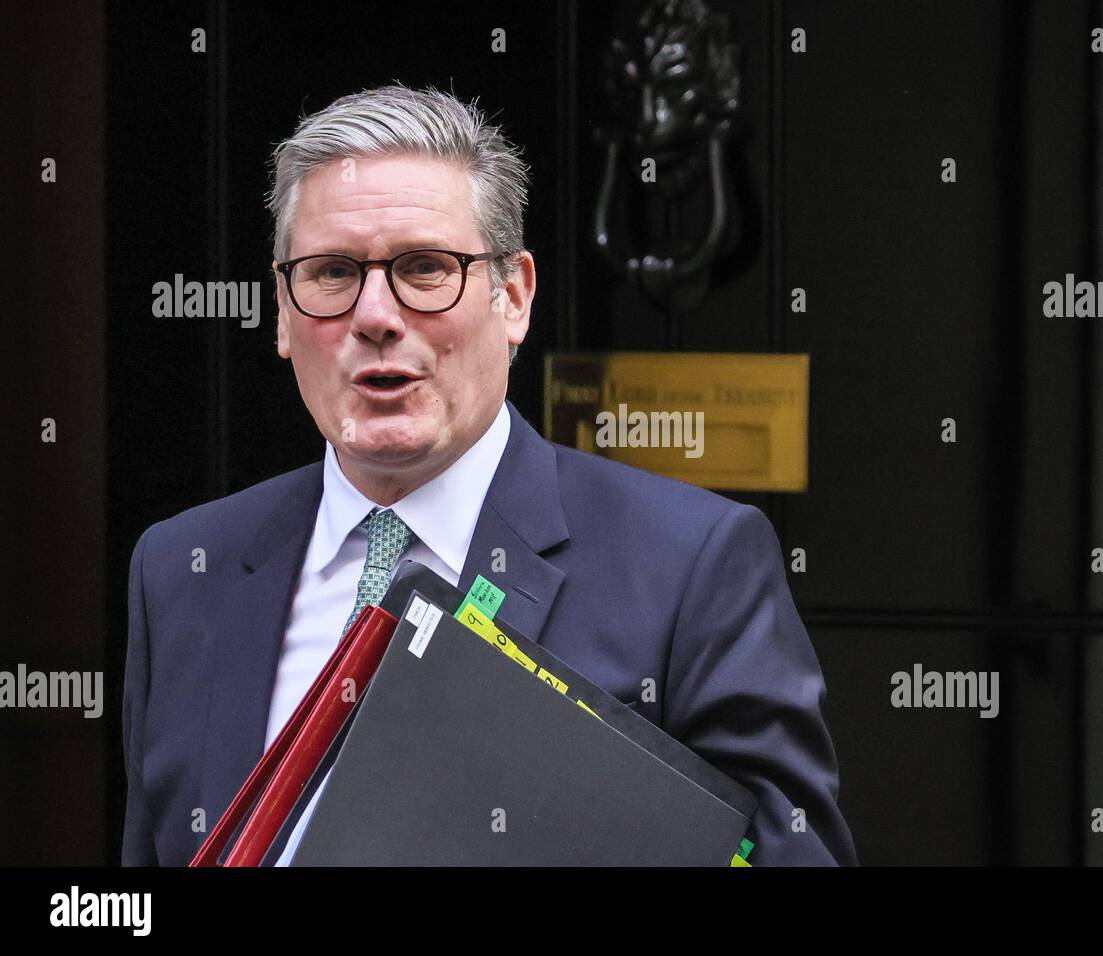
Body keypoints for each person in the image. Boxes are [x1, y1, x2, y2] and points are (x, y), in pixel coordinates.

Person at [121, 83, 856, 866]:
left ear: (513, 297)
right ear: (280, 310)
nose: (375, 315)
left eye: (425, 267)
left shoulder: (692, 564)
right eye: (333, 272)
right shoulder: (179, 570)